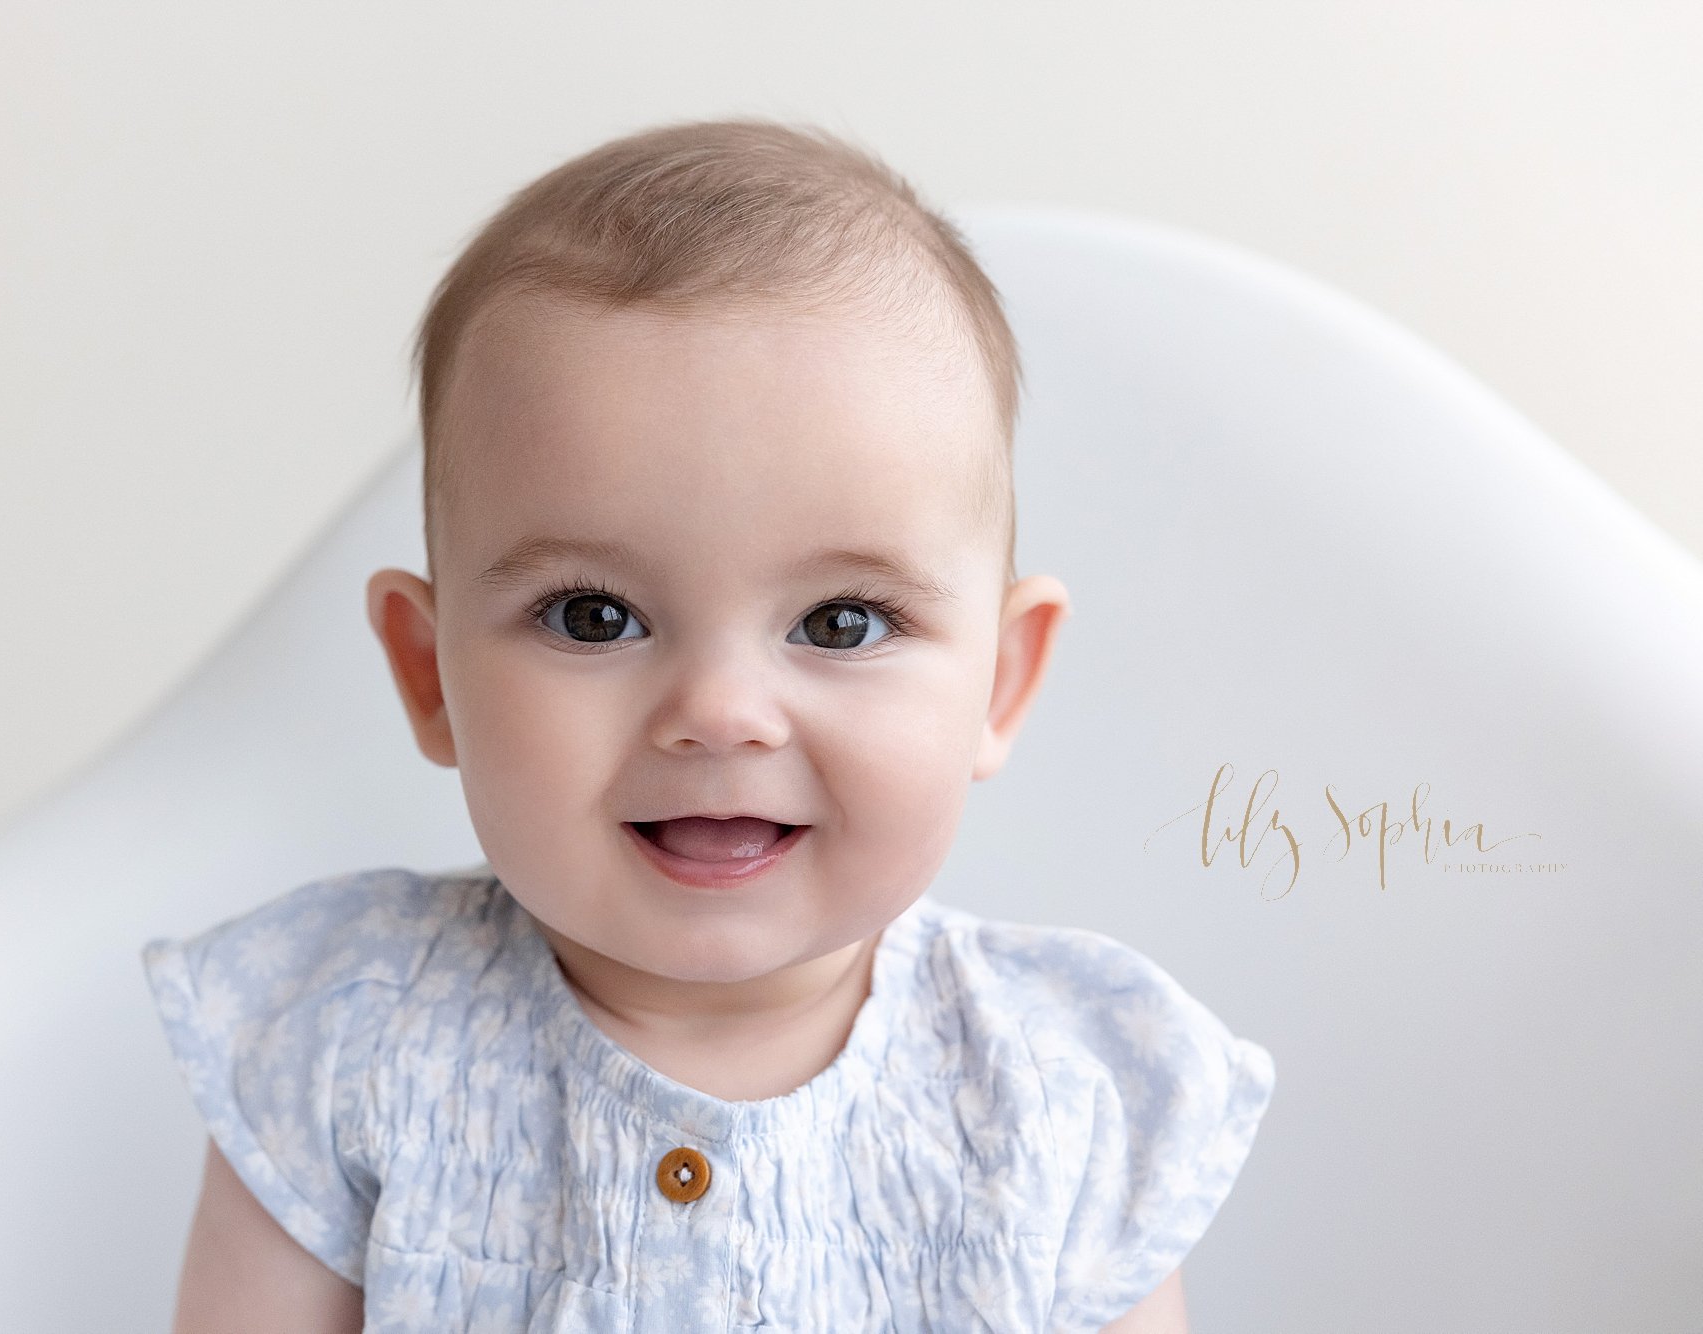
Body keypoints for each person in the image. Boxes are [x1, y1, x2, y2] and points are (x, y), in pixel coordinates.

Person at [141, 116, 1275, 1333]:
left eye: (839, 622)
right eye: (593, 615)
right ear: (430, 675)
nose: (717, 713)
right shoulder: (342, 1042)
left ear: (997, 684)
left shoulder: (1062, 1097)